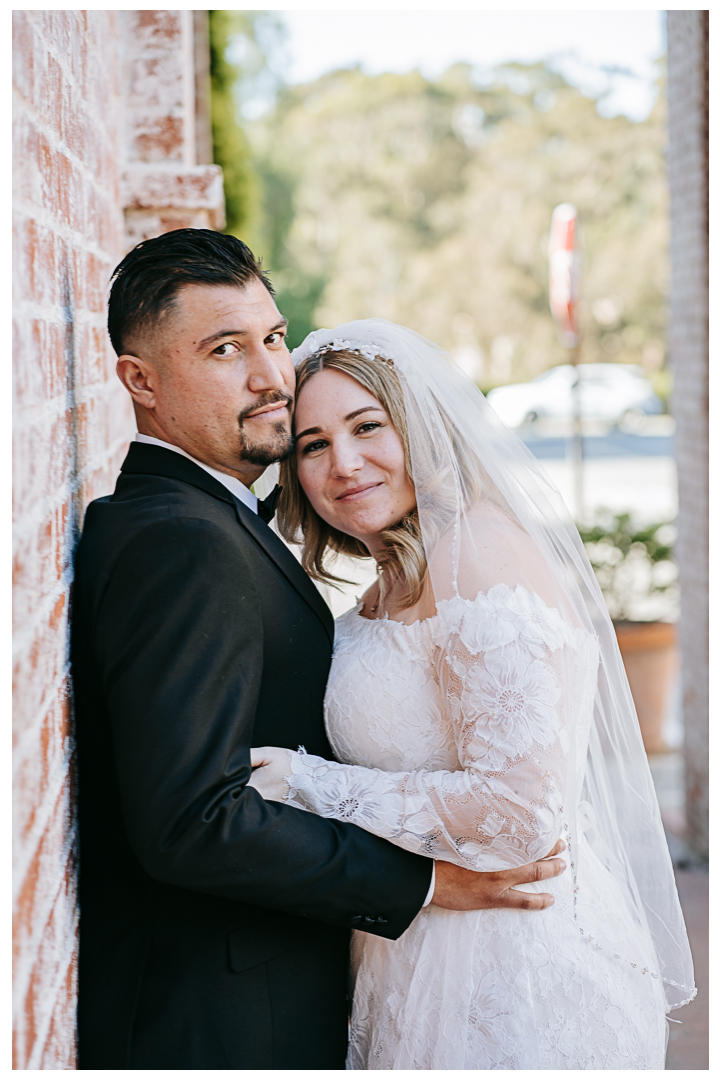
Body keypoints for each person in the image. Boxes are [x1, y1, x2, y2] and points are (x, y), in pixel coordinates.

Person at [70, 230, 566, 1070]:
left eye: (271, 337)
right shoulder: (182, 541)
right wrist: (424, 883)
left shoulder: (213, 520)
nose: (271, 375)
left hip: (420, 964)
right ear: (139, 381)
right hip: (218, 1016)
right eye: (225, 349)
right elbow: (194, 819)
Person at [248, 319, 697, 1069]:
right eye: (313, 444)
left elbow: (521, 813)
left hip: (512, 968)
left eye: (367, 427)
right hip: (417, 942)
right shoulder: (392, 578)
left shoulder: (477, 554)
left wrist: (306, 784)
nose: (344, 463)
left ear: (422, 428)